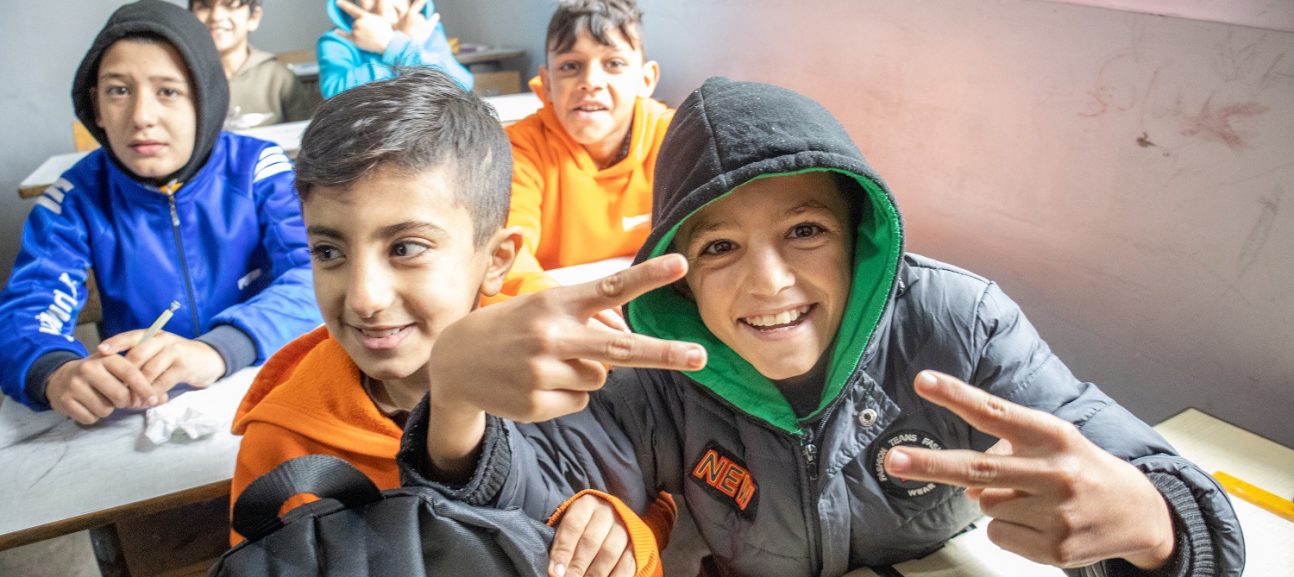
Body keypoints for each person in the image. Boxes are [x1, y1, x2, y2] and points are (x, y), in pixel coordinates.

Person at [406, 77, 1245, 576]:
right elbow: (520, 502)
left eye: (804, 231)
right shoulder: (656, 366)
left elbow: (1178, 497)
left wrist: (1154, 524)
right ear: (681, 273)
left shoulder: (960, 327)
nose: (769, 282)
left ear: (857, 237)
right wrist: (455, 405)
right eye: (721, 246)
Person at [228, 68, 671, 577]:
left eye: (406, 248)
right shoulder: (281, 443)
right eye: (328, 251)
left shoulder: (558, 371)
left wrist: (623, 533)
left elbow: (650, 497)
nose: (364, 297)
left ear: (497, 259)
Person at [0, 0, 320, 425]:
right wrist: (55, 371)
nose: (142, 117)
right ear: (95, 106)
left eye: (168, 91)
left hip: (270, 385)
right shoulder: (73, 199)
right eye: (118, 90)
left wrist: (220, 347)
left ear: (205, 99)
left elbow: (316, 274)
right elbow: (25, 312)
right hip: (144, 409)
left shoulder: (259, 169)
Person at [499, 0, 671, 299]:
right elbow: (504, 256)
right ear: (548, 83)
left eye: (613, 64)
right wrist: (560, 307)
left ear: (646, 80)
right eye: (570, 66)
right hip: (553, 308)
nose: (590, 82)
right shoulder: (519, 149)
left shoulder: (675, 140)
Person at [189, 0, 318, 129]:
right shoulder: (183, 78)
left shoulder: (279, 78)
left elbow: (305, 139)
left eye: (231, 5)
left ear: (253, 17)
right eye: (204, 6)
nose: (216, 16)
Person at [317, 0, 472, 100]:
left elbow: (460, 84)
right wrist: (401, 50)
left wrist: (393, 45)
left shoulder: (428, 30)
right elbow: (335, 95)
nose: (382, 3)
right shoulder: (338, 38)